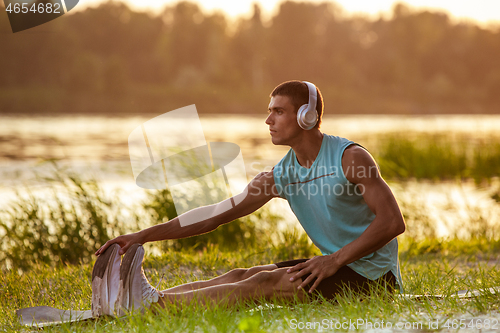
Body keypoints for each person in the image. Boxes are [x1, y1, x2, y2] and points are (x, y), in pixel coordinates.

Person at [92, 80, 406, 317]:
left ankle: (154, 307)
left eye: (279, 111)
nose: (268, 120)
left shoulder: (350, 158)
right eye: (269, 111)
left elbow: (392, 222)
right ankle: (139, 298)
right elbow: (216, 214)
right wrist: (142, 236)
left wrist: (333, 260)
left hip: (375, 279)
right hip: (334, 267)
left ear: (308, 116)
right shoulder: (280, 175)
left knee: (264, 284)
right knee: (242, 275)